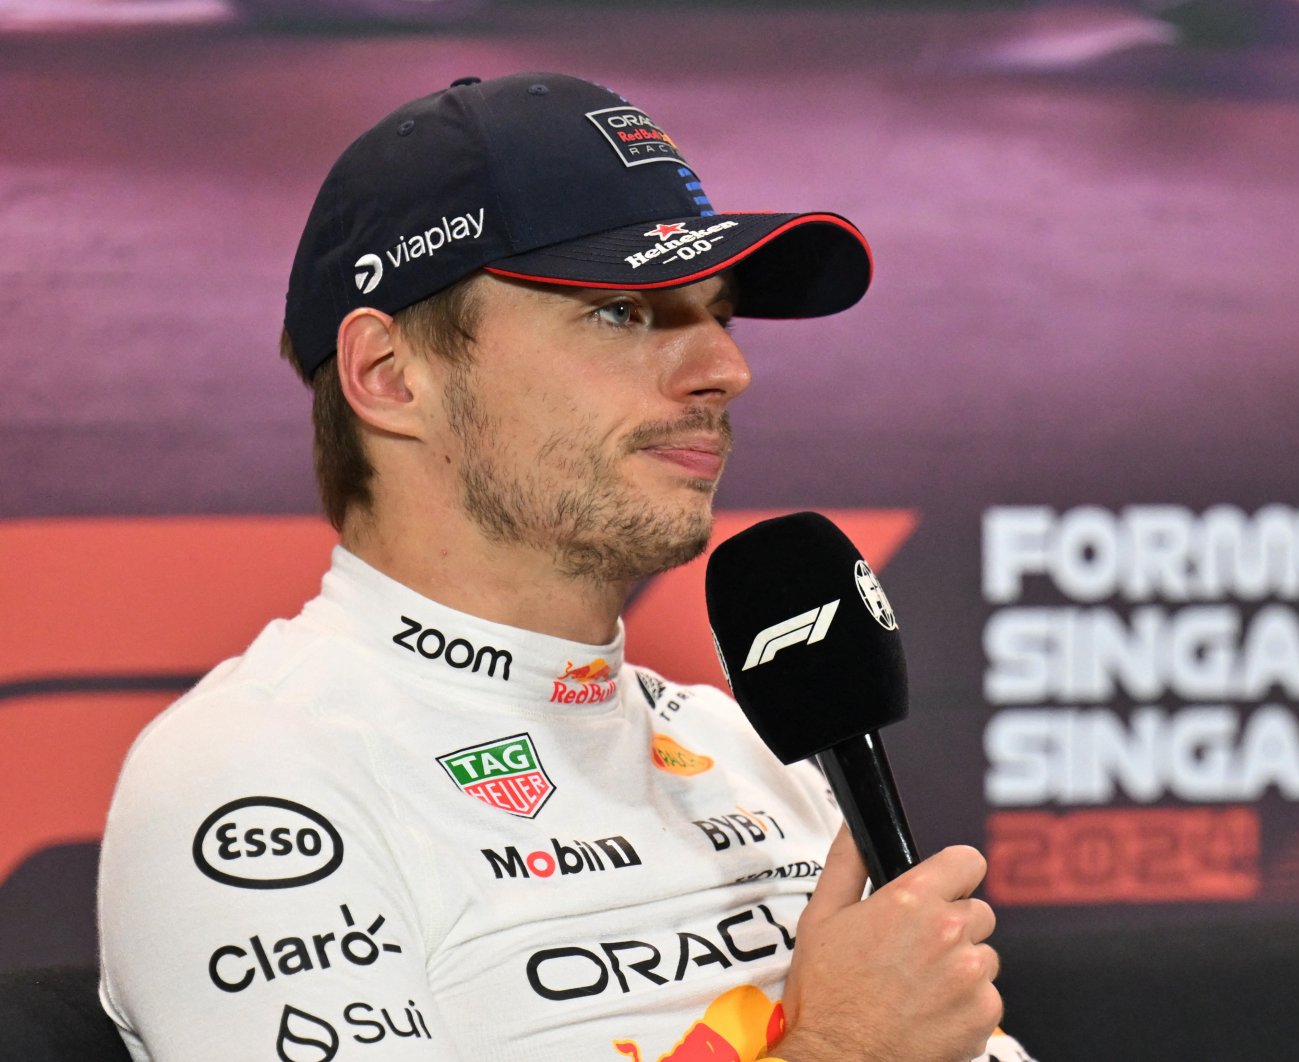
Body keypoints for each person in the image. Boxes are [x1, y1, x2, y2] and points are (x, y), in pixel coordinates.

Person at [97, 72, 1030, 1062]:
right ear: (389, 375)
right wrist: (837, 1051)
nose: (724, 368)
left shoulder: (747, 749)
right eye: (620, 312)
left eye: (717, 311)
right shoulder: (251, 777)